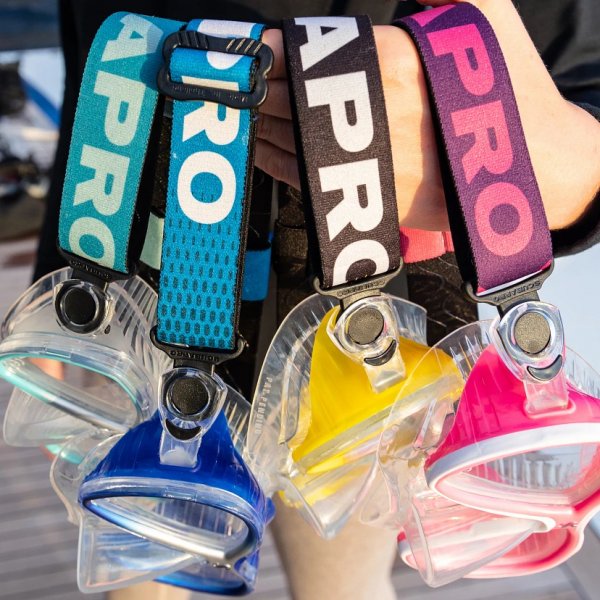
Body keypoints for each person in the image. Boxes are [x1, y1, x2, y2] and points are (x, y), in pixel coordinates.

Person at [32, 1, 600, 599]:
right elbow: (94, 51)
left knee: (342, 585)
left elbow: (582, 93)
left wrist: (555, 173)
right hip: (142, 291)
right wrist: (69, 264)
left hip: (378, 343)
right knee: (144, 568)